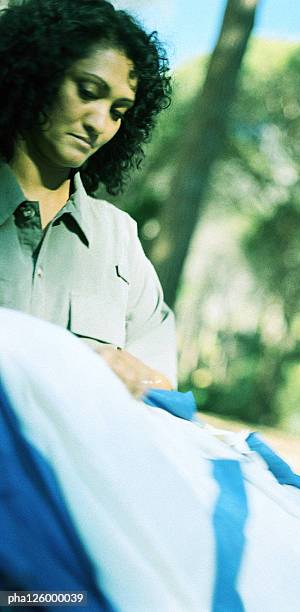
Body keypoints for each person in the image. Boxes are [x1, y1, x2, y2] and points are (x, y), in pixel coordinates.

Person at [0, 0, 175, 397]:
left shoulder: (120, 240)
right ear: (37, 73)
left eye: (118, 111)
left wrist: (129, 374)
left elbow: (165, 391)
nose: (100, 123)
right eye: (88, 91)